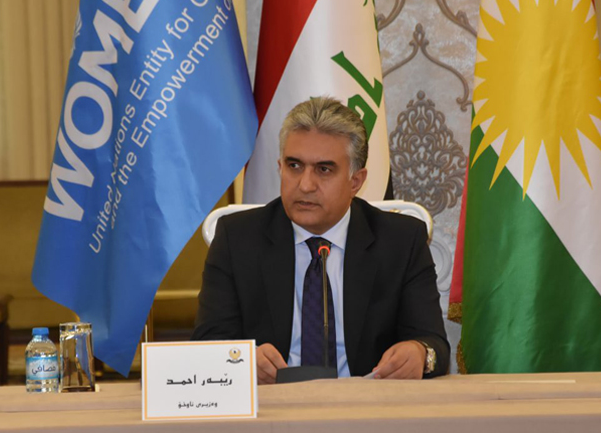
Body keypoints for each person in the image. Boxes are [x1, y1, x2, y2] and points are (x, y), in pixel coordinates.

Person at [192, 97, 449, 384]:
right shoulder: (236, 239)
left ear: (356, 181)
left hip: (367, 410)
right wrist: (240, 360)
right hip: (272, 411)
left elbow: (434, 344)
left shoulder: (401, 241)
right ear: (280, 167)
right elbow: (207, 346)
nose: (305, 185)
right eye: (294, 166)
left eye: (324, 169)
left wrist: (419, 354)